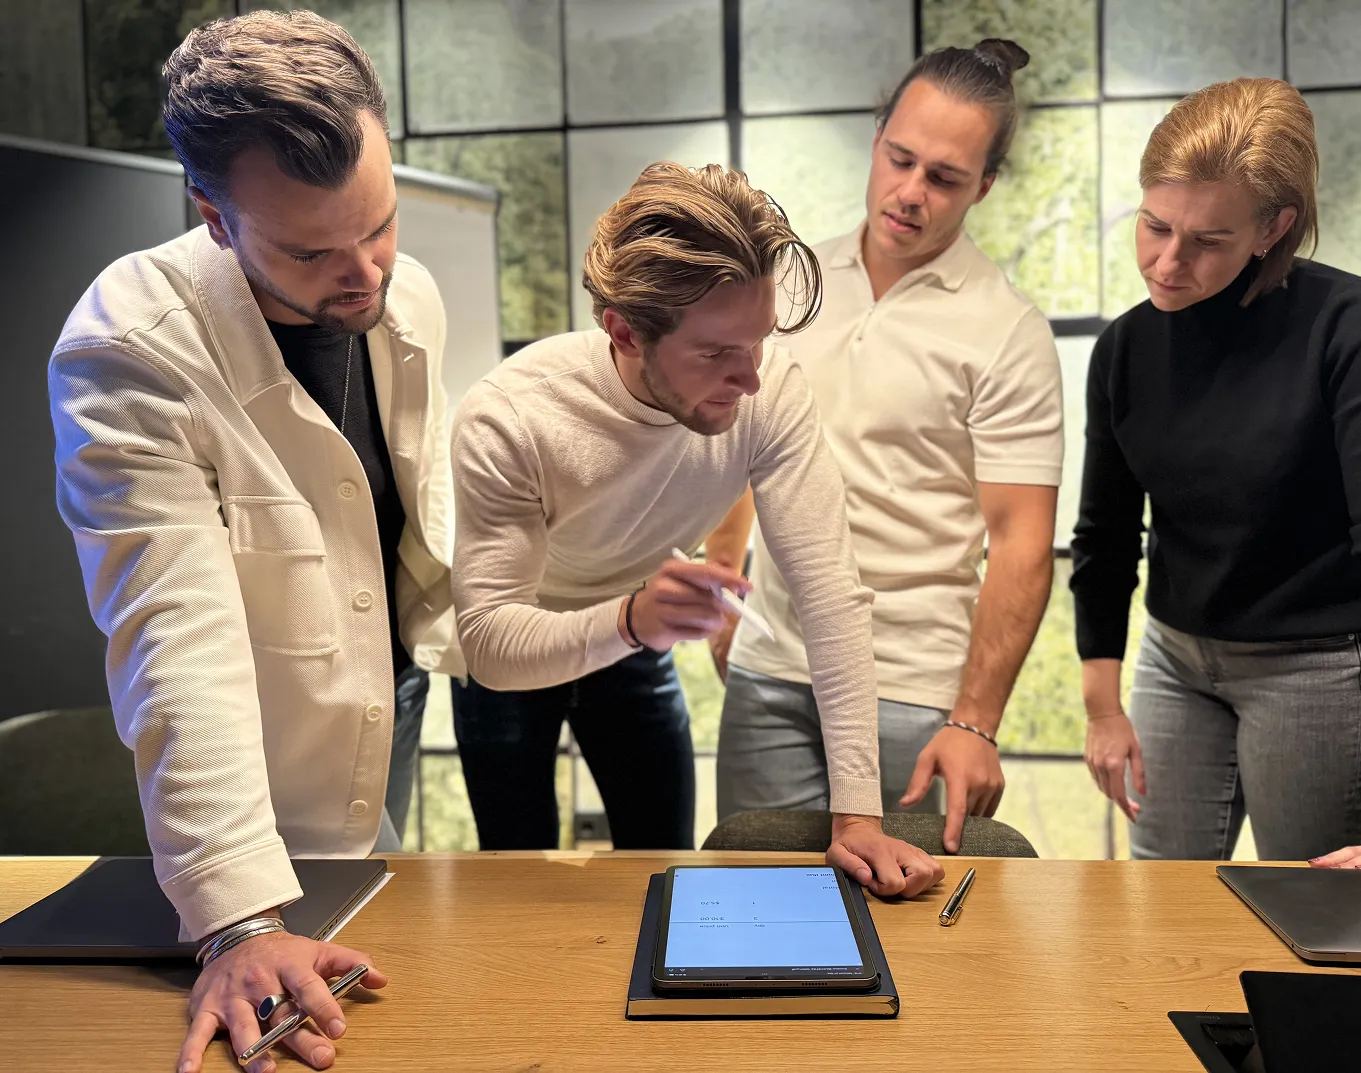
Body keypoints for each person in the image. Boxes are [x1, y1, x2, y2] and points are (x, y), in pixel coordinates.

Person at [48, 12, 465, 1073]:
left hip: (390, 691)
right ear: (215, 218)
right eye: (314, 249)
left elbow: (408, 505)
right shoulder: (128, 348)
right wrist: (235, 919)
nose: (366, 273)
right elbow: (174, 636)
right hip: (254, 739)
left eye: (380, 223)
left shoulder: (404, 295)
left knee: (380, 948)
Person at [448, 160, 944, 898]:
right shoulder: (512, 416)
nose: (747, 380)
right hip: (528, 634)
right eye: (715, 353)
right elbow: (489, 643)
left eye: (757, 344)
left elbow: (830, 599)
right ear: (622, 331)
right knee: (515, 883)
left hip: (636, 633)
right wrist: (630, 617)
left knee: (662, 872)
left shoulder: (768, 388)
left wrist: (856, 818)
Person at [707, 40, 1064, 854]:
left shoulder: (1005, 329)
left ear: (985, 185)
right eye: (899, 159)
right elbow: (738, 425)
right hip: (770, 672)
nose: (909, 193)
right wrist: (726, 583)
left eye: (943, 178)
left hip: (910, 686)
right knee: (761, 913)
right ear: (875, 141)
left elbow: (1020, 542)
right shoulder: (789, 282)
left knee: (913, 942)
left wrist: (975, 719)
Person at [1073, 77, 1361, 868]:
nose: (1167, 262)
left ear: (1274, 226)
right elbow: (1103, 537)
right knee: (1159, 901)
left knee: (1319, 909)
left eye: (1206, 241)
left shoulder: (1350, 325)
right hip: (1175, 658)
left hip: (1316, 665)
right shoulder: (1125, 350)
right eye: (1154, 225)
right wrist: (1102, 704)